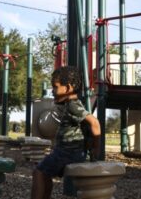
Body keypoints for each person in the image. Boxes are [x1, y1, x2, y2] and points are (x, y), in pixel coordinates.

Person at [31, 66, 101, 199]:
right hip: (67, 152)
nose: (52, 91)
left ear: (68, 88)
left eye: (55, 87)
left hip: (68, 153)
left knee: (38, 172)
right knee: (44, 174)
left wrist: (95, 148)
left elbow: (94, 123)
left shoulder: (73, 105)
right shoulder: (70, 104)